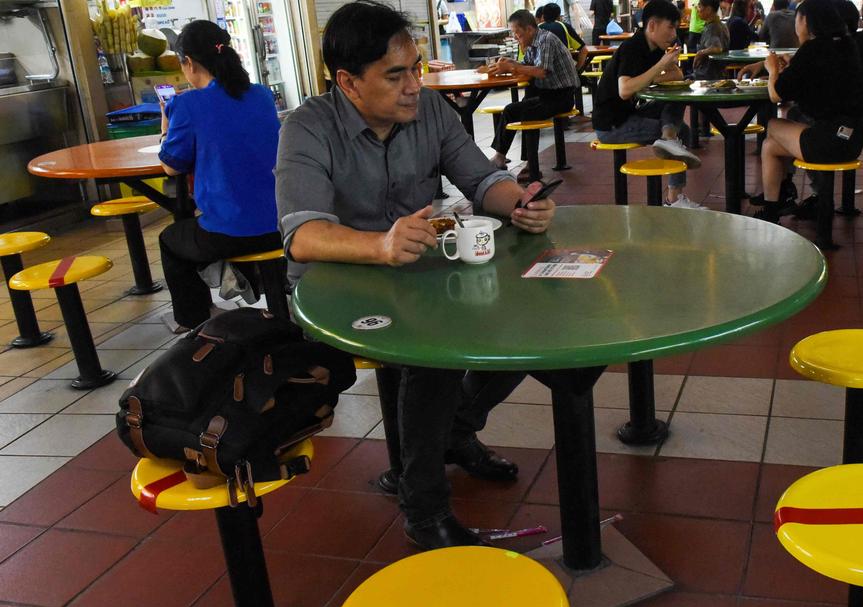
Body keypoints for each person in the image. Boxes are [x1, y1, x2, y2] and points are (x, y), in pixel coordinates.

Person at [275, 1, 555, 549]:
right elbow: (302, 235)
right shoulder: (306, 128)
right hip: (339, 287)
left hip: (418, 272)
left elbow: (480, 179)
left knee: (528, 314)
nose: (414, 86)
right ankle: (424, 509)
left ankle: (455, 429)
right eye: (396, 75)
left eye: (417, 69)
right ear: (349, 83)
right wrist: (380, 244)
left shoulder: (429, 111)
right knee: (435, 353)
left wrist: (518, 203)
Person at [156, 21, 281, 333]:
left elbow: (171, 165)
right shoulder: (262, 95)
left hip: (231, 231)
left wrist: (165, 121)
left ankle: (194, 321)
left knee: (171, 240)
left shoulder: (187, 103)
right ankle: (245, 277)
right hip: (283, 224)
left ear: (188, 62)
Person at [753, 0, 863, 221]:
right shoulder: (846, 44)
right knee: (770, 146)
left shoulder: (813, 49)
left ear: (806, 21)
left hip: (829, 141)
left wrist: (771, 70)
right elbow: (815, 78)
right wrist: (790, 65)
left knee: (772, 125)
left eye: (797, 19)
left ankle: (781, 200)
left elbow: (776, 95)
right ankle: (773, 210)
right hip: (853, 138)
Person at [592, 0, 704, 207]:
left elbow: (676, 76)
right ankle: (674, 199)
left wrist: (664, 67)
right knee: (683, 132)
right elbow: (624, 90)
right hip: (611, 125)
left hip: (628, 114)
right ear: (652, 25)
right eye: (670, 27)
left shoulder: (655, 47)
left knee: (679, 97)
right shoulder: (633, 47)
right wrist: (661, 65)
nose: (673, 34)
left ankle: (668, 139)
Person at [489, 10, 580, 173]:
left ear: (529, 29)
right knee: (517, 108)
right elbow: (526, 65)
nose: (516, 37)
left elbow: (541, 71)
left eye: (518, 33)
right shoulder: (532, 43)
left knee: (518, 110)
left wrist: (512, 66)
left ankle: (526, 163)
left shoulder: (546, 40)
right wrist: (510, 63)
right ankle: (507, 158)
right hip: (547, 94)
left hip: (562, 97)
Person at [691, 0, 730, 78]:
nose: (697, 9)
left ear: (708, 9)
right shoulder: (722, 25)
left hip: (707, 76)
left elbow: (717, 48)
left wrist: (700, 53)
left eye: (699, 6)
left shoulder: (712, 28)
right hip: (720, 74)